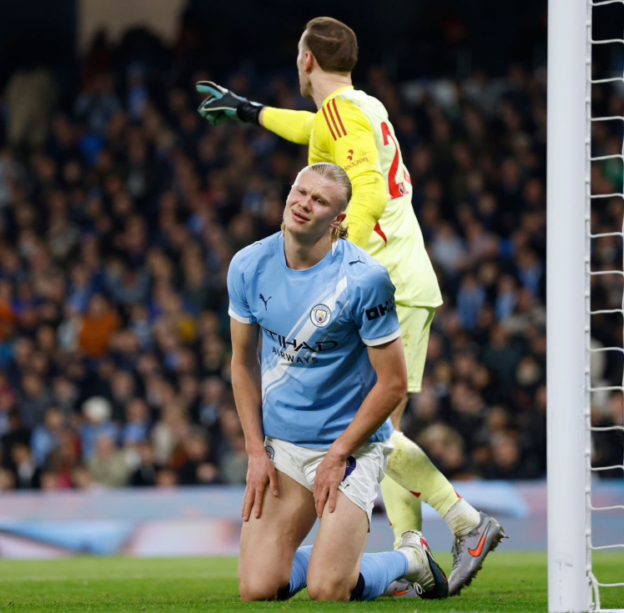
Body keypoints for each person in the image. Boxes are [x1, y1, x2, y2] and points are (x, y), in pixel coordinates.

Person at [198, 16, 503, 595]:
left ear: (305, 59)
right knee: (383, 431)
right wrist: (249, 111)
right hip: (407, 276)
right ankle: (412, 554)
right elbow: (310, 129)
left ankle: (466, 521)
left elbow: (367, 186)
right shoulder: (358, 107)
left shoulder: (343, 116)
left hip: (381, 281)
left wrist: (340, 268)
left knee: (376, 432)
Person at [229, 162, 448, 601]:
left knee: (328, 590)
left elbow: (393, 384)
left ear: (339, 219)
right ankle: (341, 561)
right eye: (301, 192)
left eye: (320, 201)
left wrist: (341, 452)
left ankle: (412, 559)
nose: (304, 204)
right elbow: (242, 362)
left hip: (351, 445)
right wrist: (255, 449)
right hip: (285, 445)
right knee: (257, 588)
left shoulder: (364, 280)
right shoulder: (248, 264)